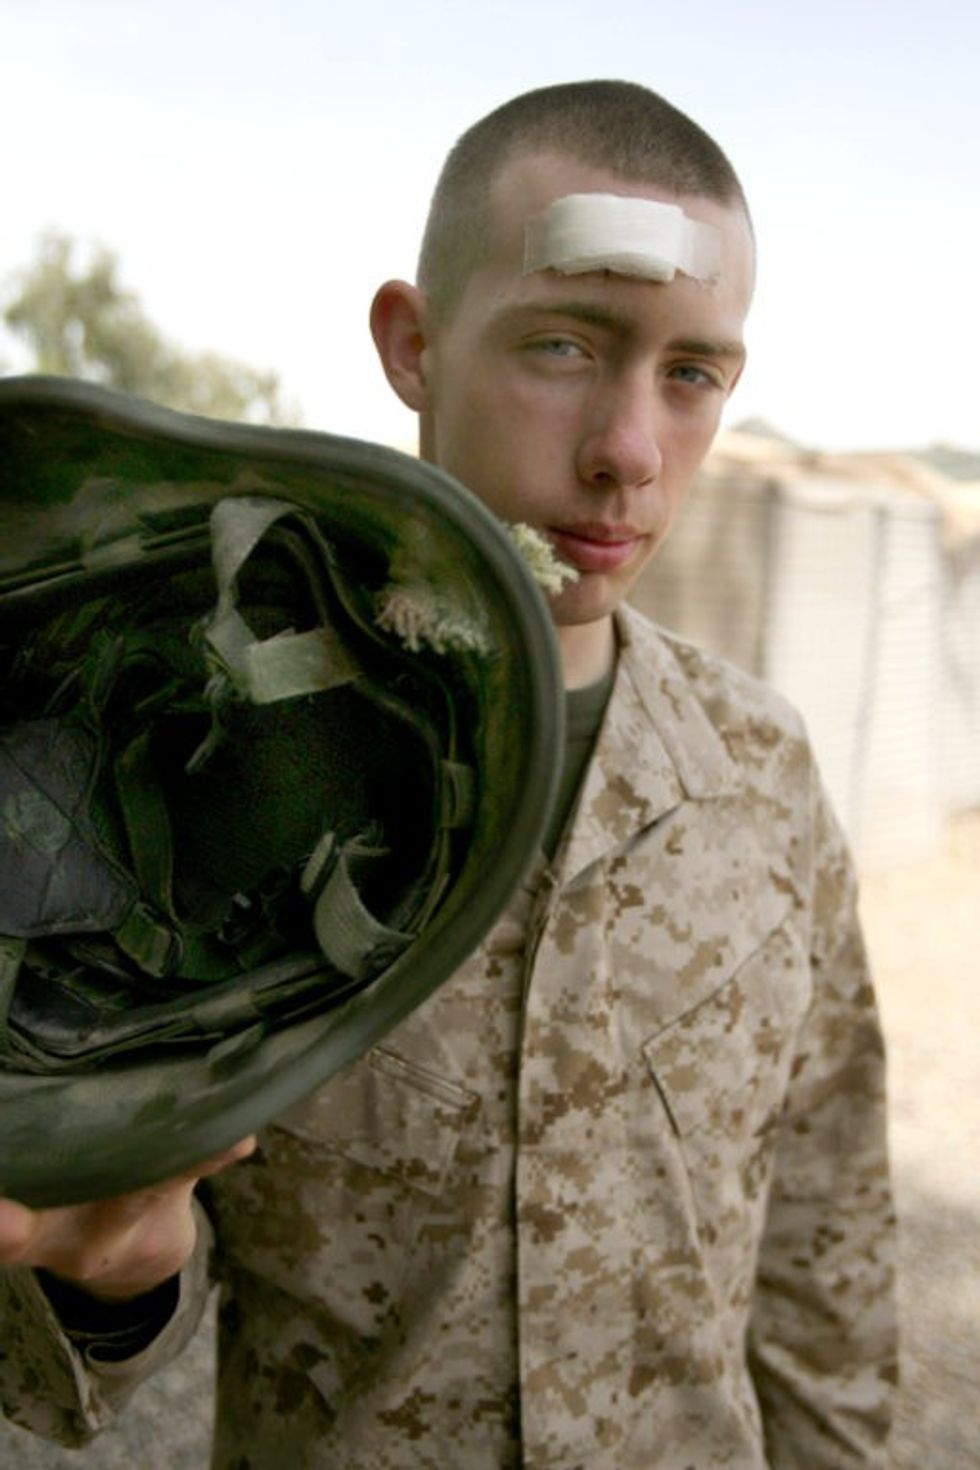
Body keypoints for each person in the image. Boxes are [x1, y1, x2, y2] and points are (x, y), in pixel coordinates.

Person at [0, 79, 897, 1468]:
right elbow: (71, 1372)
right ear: (413, 345)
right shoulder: (194, 750)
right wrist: (112, 1278)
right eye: (560, 342)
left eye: (693, 374)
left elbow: (824, 1272)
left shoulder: (763, 783)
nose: (628, 453)